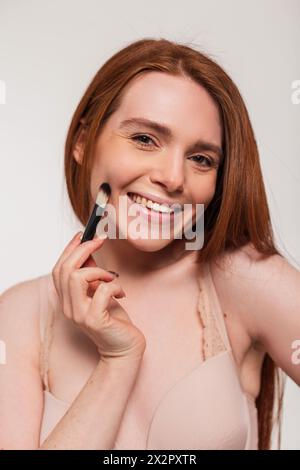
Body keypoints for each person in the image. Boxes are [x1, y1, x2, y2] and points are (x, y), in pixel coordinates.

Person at [0, 38, 299, 451]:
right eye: (144, 139)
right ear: (83, 141)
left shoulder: (242, 280)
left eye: (201, 158)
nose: (174, 177)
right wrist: (118, 362)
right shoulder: (18, 317)